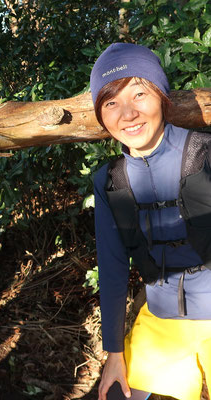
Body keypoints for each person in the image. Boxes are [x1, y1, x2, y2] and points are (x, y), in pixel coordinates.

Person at [92, 43, 211, 400]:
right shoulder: (110, 180)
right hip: (161, 322)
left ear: (161, 96)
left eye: (139, 94)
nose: (127, 114)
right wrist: (114, 353)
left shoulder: (204, 154)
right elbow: (112, 269)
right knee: (118, 395)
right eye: (111, 102)